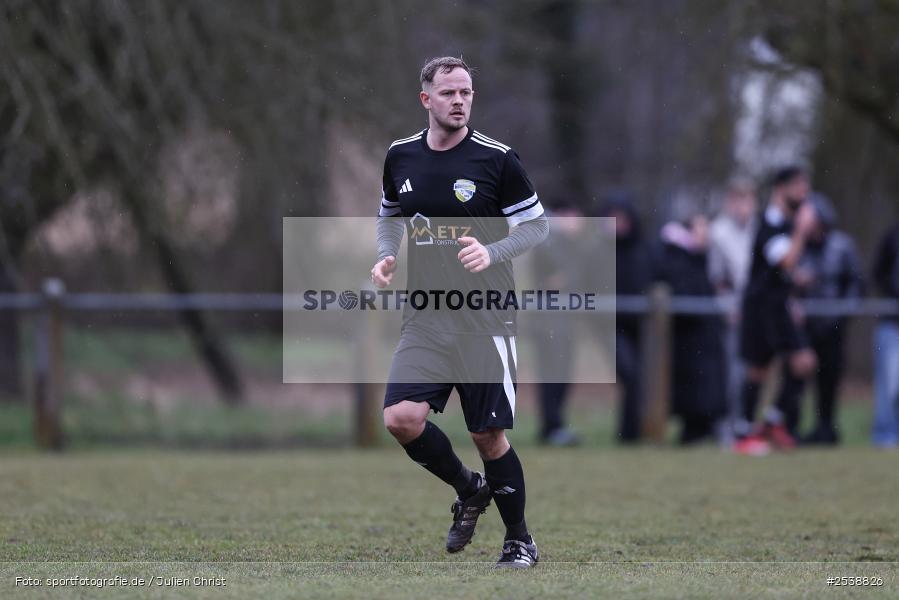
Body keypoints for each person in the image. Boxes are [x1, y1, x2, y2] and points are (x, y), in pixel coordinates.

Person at [372, 57, 547, 568]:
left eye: (466, 92)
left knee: (486, 434)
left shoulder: (497, 160)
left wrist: (492, 252)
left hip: (485, 316)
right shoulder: (400, 156)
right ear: (426, 99)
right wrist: (386, 255)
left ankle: (519, 540)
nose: (459, 100)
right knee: (401, 419)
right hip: (426, 315)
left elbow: (537, 227)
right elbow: (389, 218)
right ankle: (469, 489)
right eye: (448, 92)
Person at [733, 166, 818, 455]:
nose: (804, 191)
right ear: (781, 189)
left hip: (778, 306)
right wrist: (802, 231)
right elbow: (786, 261)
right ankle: (744, 434)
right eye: (798, 185)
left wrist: (793, 289)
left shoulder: (785, 222)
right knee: (759, 370)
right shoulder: (771, 221)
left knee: (803, 362)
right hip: (761, 308)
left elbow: (782, 272)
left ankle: (771, 422)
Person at [774, 194, 863, 444]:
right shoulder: (794, 247)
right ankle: (788, 430)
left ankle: (826, 430)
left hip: (832, 327)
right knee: (794, 381)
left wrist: (842, 315)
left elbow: (855, 284)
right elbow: (779, 281)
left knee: (829, 381)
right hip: (800, 329)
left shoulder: (842, 246)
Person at [657, 213, 728, 444]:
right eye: (700, 229)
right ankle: (693, 430)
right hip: (689, 337)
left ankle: (705, 427)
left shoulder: (701, 258)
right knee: (694, 387)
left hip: (705, 335)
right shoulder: (679, 258)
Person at [598, 193, 654, 443]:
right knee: (630, 374)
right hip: (609, 326)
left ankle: (634, 431)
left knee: (641, 378)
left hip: (641, 326)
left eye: (621, 218)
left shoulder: (644, 250)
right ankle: (628, 434)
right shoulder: (597, 252)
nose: (617, 224)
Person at [708, 179, 758, 442]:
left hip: (757, 310)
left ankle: (749, 425)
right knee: (731, 374)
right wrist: (727, 307)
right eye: (738, 200)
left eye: (747, 200)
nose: (743, 206)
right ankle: (728, 425)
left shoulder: (759, 231)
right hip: (731, 313)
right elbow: (717, 278)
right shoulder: (719, 233)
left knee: (753, 372)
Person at [532, 200, 584, 446]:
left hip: (564, 321)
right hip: (548, 322)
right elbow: (559, 278)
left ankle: (556, 426)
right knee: (552, 374)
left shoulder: (566, 242)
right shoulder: (548, 238)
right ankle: (551, 427)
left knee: (562, 374)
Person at [871, 219, 899, 448]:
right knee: (890, 387)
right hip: (893, 323)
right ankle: (885, 437)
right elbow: (878, 273)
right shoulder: (893, 236)